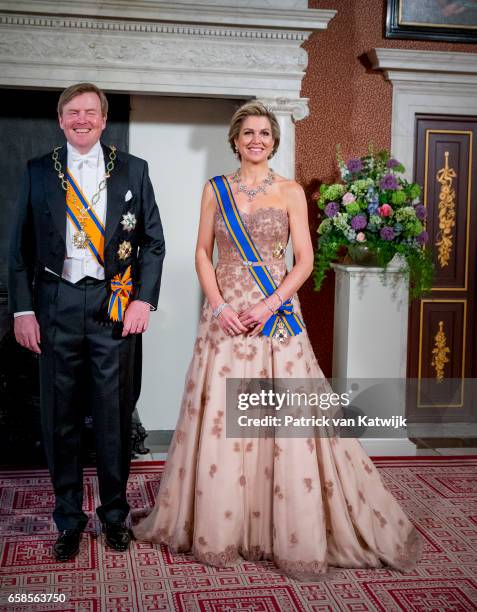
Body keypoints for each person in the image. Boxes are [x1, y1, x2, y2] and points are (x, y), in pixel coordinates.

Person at [133, 101, 421, 579]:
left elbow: (304, 261)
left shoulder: (289, 192)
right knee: (224, 421)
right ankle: (223, 526)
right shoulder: (215, 190)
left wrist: (270, 304)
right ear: (235, 139)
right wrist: (221, 306)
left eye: (264, 132)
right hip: (225, 319)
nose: (256, 139)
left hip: (275, 315)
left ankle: (284, 528)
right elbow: (202, 253)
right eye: (248, 132)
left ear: (274, 140)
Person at [8, 83, 165, 561]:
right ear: (61, 120)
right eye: (72, 112)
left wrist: (144, 301)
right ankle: (69, 520)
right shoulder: (39, 172)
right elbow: (18, 251)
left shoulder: (133, 170)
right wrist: (22, 309)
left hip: (112, 305)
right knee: (61, 418)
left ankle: (114, 517)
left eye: (90, 112)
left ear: (103, 119)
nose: (81, 119)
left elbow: (153, 243)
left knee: (114, 417)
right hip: (55, 303)